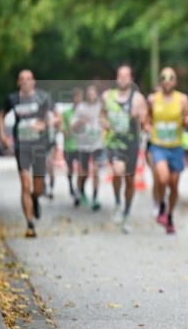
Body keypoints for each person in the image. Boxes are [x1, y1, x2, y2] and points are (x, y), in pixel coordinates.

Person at [0, 70, 54, 238]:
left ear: (34, 82)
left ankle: (35, 199)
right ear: (18, 83)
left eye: (29, 78)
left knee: (38, 188)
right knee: (25, 184)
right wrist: (2, 135)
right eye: (22, 79)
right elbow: (1, 116)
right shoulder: (13, 99)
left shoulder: (43, 97)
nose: (26, 81)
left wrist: (44, 125)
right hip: (22, 147)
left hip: (39, 146)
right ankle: (30, 224)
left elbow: (55, 117)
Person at [101, 64, 149, 233]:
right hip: (114, 142)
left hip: (131, 143)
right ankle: (117, 203)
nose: (122, 79)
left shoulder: (138, 99)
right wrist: (105, 124)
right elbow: (101, 115)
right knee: (117, 170)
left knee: (129, 180)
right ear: (116, 78)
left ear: (131, 79)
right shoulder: (107, 96)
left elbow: (145, 121)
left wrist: (139, 117)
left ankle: (127, 212)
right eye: (120, 76)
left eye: (126, 76)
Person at [148, 67, 188, 234]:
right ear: (160, 81)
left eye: (171, 77)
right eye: (164, 77)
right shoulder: (153, 99)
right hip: (158, 145)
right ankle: (161, 205)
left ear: (175, 81)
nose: (167, 80)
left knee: (173, 185)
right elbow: (147, 118)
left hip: (176, 147)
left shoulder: (182, 99)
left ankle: (170, 216)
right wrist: (146, 125)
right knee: (162, 178)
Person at [72, 83, 105, 211]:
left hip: (98, 144)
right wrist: (81, 121)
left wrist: (105, 123)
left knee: (96, 171)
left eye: (93, 93)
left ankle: (95, 198)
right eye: (89, 93)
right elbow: (73, 126)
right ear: (86, 95)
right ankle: (80, 191)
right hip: (84, 145)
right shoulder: (81, 107)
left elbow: (107, 121)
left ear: (96, 94)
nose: (91, 95)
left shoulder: (101, 107)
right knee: (83, 173)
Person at [60, 87, 82, 205]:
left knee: (82, 169)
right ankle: (71, 187)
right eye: (76, 97)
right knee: (71, 169)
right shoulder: (66, 113)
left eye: (80, 98)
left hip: (81, 147)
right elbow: (64, 132)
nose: (78, 100)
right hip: (69, 147)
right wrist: (73, 127)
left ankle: (78, 191)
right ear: (72, 99)